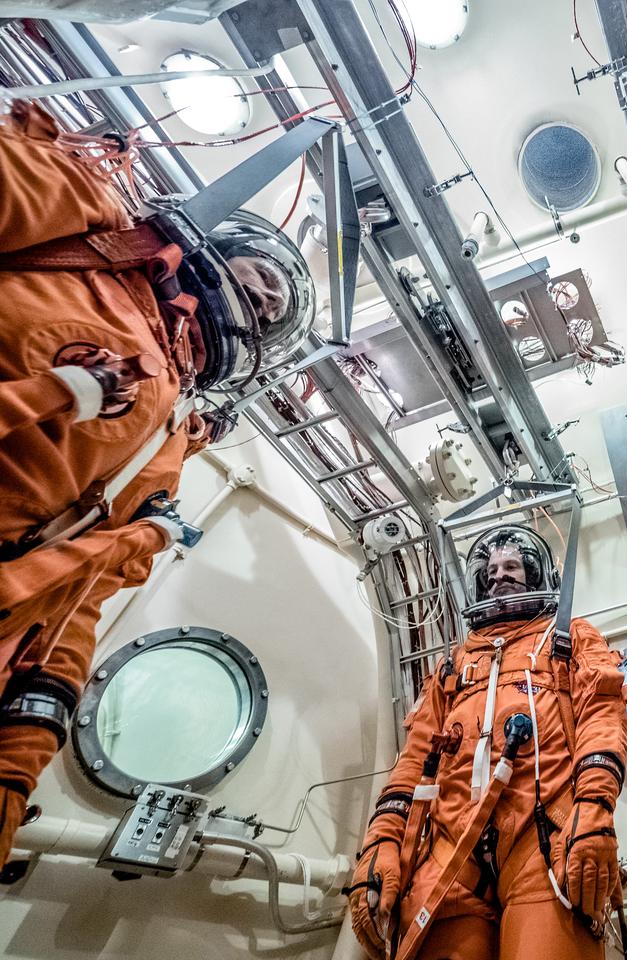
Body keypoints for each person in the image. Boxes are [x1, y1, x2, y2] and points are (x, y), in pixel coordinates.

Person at [0, 98, 313, 863]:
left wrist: (16, 763)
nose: (266, 297)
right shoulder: (84, 226)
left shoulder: (169, 447)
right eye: (262, 278)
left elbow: (73, 605)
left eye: (274, 306)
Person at [347, 524, 627, 960]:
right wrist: (382, 840)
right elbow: (415, 758)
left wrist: (594, 809)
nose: (499, 576)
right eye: (491, 570)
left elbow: (602, 716)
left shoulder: (567, 638)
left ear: (536, 575)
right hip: (448, 850)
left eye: (512, 566)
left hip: (543, 839)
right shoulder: (455, 665)